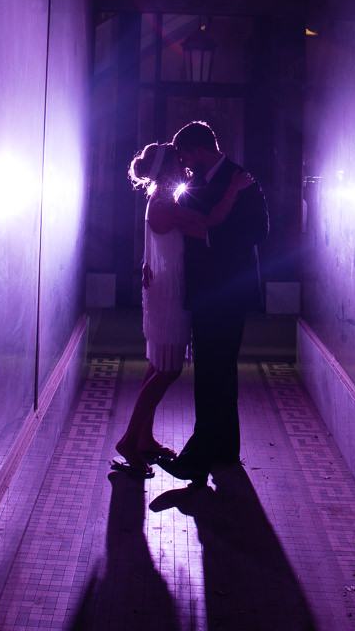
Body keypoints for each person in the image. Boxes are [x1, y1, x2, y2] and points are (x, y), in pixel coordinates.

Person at [114, 141, 252, 478]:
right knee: (168, 370)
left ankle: (143, 438)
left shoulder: (160, 200)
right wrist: (233, 189)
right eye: (178, 159)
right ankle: (130, 440)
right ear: (168, 168)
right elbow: (211, 221)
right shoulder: (166, 205)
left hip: (164, 288)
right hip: (169, 294)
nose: (184, 162)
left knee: (157, 366)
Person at [158, 121, 268, 486]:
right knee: (219, 372)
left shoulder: (242, 179)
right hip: (207, 292)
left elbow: (259, 231)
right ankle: (224, 448)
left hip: (228, 293)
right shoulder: (202, 183)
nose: (185, 164)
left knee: (211, 374)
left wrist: (208, 235)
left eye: (186, 156)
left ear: (200, 150)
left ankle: (195, 461)